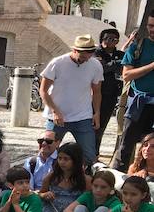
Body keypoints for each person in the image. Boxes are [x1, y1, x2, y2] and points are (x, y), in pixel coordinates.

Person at [39, 34, 103, 168]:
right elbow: (43, 91)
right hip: (56, 117)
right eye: (83, 57)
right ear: (75, 51)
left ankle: (86, 183)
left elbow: (96, 91)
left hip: (82, 117)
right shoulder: (57, 63)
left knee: (89, 155)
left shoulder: (95, 65)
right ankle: (44, 180)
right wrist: (55, 111)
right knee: (47, 152)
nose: (85, 60)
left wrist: (96, 113)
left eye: (89, 56)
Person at [112, 11, 154, 171]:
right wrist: (152, 66)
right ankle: (117, 183)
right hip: (138, 105)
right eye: (150, 25)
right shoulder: (137, 47)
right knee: (126, 146)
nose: (152, 29)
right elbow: (127, 75)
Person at [38, 142, 90, 212]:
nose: (62, 162)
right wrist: (45, 195)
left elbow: (88, 201)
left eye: (66, 159)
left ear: (75, 160)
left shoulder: (85, 180)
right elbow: (40, 193)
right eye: (60, 158)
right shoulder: (52, 176)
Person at [94, 28, 124, 154]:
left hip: (111, 95)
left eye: (113, 39)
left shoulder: (121, 55)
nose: (109, 41)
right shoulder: (96, 53)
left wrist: (111, 66)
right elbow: (101, 69)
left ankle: (96, 152)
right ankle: (91, 152)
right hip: (95, 94)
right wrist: (113, 65)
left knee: (102, 126)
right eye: (106, 38)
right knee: (94, 125)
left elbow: (123, 69)